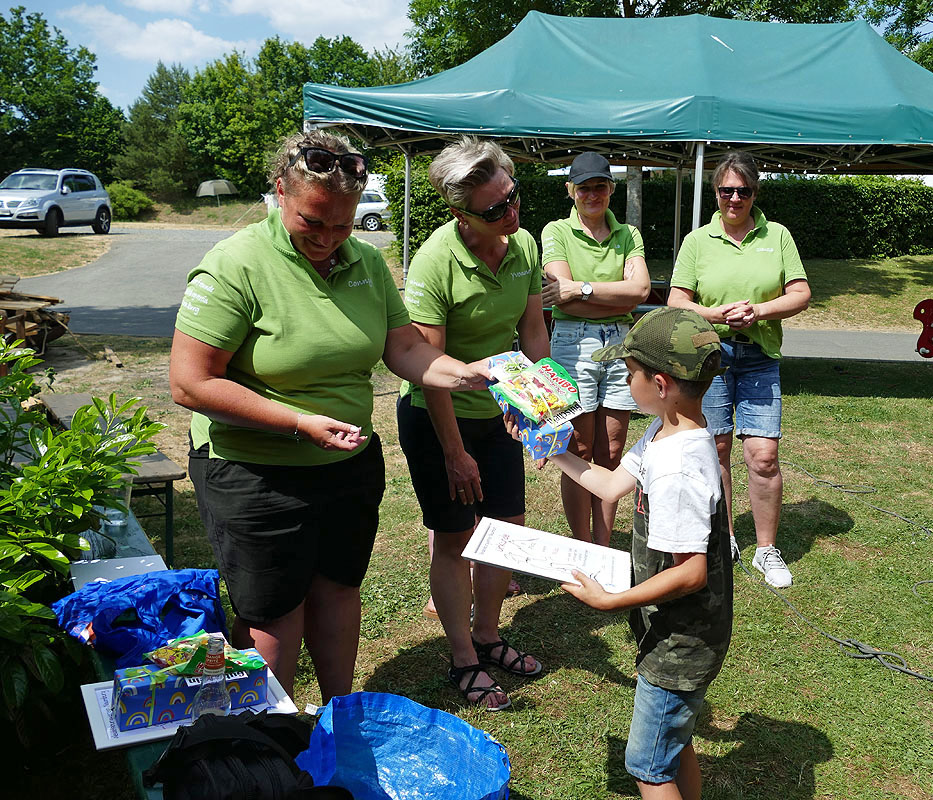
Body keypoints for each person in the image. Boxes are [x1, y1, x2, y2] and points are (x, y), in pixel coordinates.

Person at [170, 130, 491, 702]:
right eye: (312, 223)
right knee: (274, 612)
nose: (328, 239)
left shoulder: (365, 261)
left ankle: (338, 715)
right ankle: (276, 739)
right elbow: (190, 382)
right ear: (280, 193)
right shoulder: (235, 264)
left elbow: (406, 349)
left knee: (339, 589)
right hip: (255, 470)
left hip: (347, 463)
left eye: (342, 225)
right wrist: (298, 422)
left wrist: (466, 371)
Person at [514, 307, 732, 800]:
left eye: (629, 372)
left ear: (659, 384)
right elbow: (610, 486)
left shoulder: (678, 466)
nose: (624, 380)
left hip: (683, 641)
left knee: (648, 766)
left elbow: (692, 573)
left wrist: (610, 602)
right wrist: (553, 450)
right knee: (671, 744)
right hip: (674, 630)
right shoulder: (664, 432)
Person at [396, 136, 549, 711]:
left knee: (507, 530)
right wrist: (455, 454)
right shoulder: (436, 260)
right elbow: (431, 370)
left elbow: (533, 335)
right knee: (457, 538)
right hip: (440, 417)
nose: (511, 214)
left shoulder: (524, 245)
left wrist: (546, 409)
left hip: (496, 413)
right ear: (461, 214)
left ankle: (489, 635)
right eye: (495, 210)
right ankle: (462, 657)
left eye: (513, 197)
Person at [667, 151, 811, 589]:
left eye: (743, 191)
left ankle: (766, 550)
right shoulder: (697, 241)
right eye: (726, 190)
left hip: (760, 356)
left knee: (763, 455)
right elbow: (676, 300)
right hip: (709, 356)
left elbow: (801, 293)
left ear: (755, 192)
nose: (734, 198)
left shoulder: (778, 235)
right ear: (715, 192)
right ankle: (724, 537)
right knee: (717, 449)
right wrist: (715, 315)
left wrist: (761, 311)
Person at [541, 152, 650, 546]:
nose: (592, 194)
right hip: (573, 343)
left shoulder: (628, 234)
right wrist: (614, 296)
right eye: (583, 187)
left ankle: (602, 546)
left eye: (599, 186)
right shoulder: (555, 231)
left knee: (613, 449)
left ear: (611, 188)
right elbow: (559, 297)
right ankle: (582, 543)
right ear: (571, 191)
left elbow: (639, 292)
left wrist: (583, 289)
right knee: (579, 448)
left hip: (621, 343)